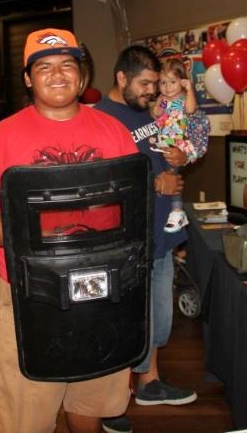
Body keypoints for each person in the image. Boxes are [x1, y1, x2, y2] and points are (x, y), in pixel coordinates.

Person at [0, 28, 139, 433]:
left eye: (67, 65)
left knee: (89, 402)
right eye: (44, 67)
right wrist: (26, 237)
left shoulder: (114, 132)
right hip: (29, 294)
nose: (57, 75)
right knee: (25, 417)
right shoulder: (3, 136)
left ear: (81, 74)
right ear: (27, 78)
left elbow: (135, 206)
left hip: (103, 292)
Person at [95, 46, 198, 433]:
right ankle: (112, 399)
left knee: (157, 318)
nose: (152, 90)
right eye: (144, 83)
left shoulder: (150, 112)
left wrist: (178, 158)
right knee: (126, 320)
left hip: (161, 231)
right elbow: (103, 182)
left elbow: (171, 149)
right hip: (127, 242)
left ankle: (149, 383)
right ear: (122, 78)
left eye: (156, 83)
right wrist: (157, 183)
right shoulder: (103, 119)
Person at [151, 58, 207, 233]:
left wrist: (189, 89)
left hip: (178, 142)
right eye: (163, 82)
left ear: (182, 81)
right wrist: (157, 106)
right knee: (164, 174)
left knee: (172, 174)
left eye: (173, 82)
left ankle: (177, 211)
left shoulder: (184, 98)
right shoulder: (163, 99)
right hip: (164, 140)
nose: (167, 87)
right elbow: (154, 114)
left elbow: (190, 110)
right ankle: (172, 210)